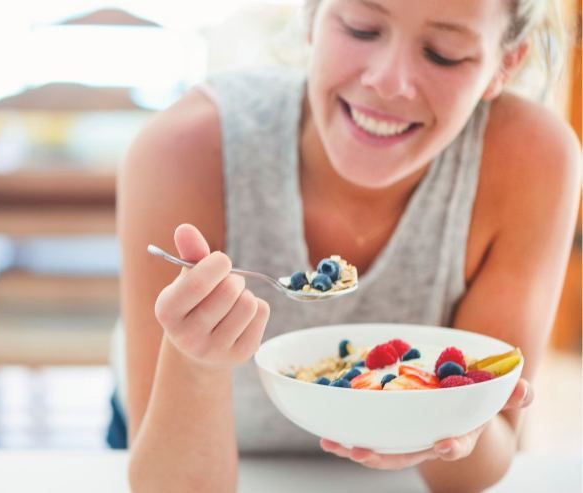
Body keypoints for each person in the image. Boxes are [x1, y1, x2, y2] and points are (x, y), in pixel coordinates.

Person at [111, 0, 581, 491]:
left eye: (444, 53)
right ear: (312, 17)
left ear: (503, 65)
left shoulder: (532, 161)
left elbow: (474, 472)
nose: (388, 81)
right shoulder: (186, 149)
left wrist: (453, 413)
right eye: (361, 29)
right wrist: (195, 364)